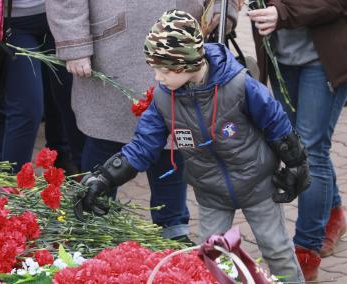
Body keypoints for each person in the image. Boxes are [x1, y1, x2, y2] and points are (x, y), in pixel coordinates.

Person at [75, 10, 310, 282]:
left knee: (277, 250)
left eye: (163, 70)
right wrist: (105, 178)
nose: (157, 78)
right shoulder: (164, 98)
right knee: (209, 260)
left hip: (257, 185)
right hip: (211, 193)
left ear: (185, 63)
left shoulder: (239, 85)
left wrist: (296, 162)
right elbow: (142, 145)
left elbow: (276, 123)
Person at [46, 0, 241, 242]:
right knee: (105, 145)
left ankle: (172, 231)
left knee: (174, 145)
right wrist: (74, 42)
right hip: (115, 49)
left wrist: (224, 9)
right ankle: (91, 232)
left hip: (183, 48)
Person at [248, 1, 347, 280]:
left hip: (322, 62)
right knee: (298, 145)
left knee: (310, 152)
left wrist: (282, 12)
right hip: (281, 59)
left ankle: (306, 249)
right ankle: (333, 210)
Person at [0, 0, 83, 173]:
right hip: (14, 22)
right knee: (27, 109)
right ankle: (12, 187)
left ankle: (88, 183)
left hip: (62, 17)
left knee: (72, 101)